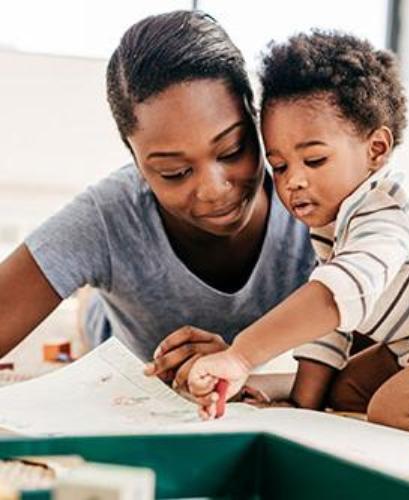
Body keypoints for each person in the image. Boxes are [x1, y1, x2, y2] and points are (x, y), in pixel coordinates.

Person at [187, 30, 409, 458]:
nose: (293, 180)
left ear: (376, 149)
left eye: (314, 160)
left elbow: (338, 296)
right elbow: (334, 324)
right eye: (278, 166)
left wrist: (241, 356)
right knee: (347, 388)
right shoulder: (337, 222)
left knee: (398, 407)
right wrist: (301, 403)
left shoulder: (389, 214)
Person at [0, 11, 316, 394]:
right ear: (136, 164)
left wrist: (236, 362)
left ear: (255, 116)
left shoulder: (317, 201)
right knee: (95, 320)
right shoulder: (108, 215)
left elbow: (376, 370)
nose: (213, 189)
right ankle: (89, 299)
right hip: (114, 338)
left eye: (232, 150)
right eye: (174, 172)